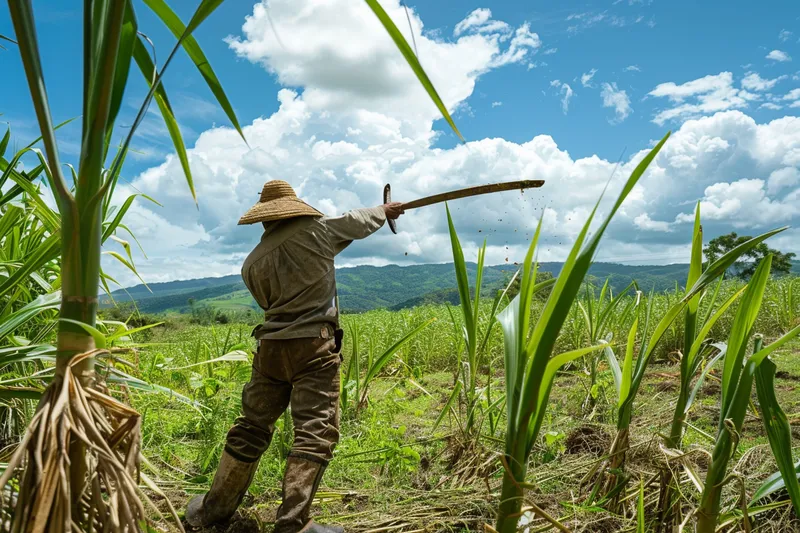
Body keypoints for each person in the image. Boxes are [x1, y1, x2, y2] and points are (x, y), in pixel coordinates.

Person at [186, 180, 404, 532]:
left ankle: (213, 512)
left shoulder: (251, 264)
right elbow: (357, 221)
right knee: (314, 433)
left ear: (265, 220)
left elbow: (269, 303)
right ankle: (293, 524)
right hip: (313, 348)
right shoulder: (317, 231)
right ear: (295, 209)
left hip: (270, 350)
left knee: (252, 427)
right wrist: (385, 211)